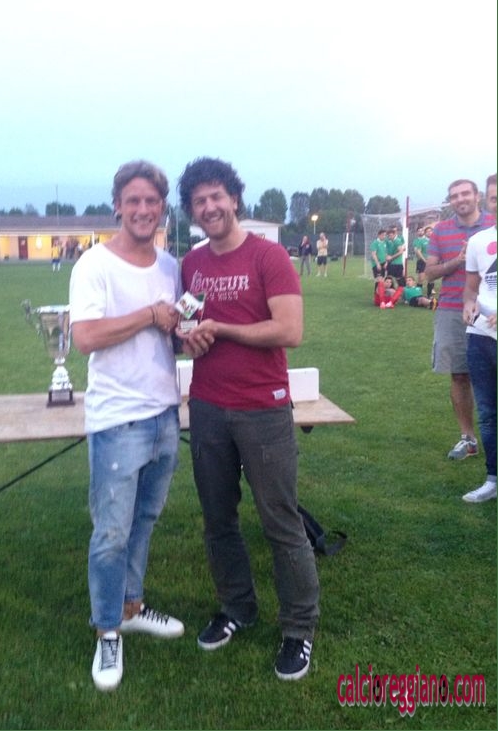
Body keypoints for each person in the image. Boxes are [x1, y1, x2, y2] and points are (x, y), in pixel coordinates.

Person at [176, 157, 319, 682]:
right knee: (218, 520)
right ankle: (237, 607)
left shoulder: (268, 255)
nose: (209, 207)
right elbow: (186, 326)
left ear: (234, 199)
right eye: (199, 201)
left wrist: (222, 329)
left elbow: (290, 330)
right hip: (207, 406)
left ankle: (299, 629)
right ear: (192, 211)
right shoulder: (191, 264)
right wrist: (188, 338)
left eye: (217, 196)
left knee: (280, 521)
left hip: (263, 407)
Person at [69, 160, 184, 692]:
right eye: (133, 200)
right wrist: (149, 315)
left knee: (144, 521)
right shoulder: (94, 264)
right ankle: (107, 630)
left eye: (151, 201)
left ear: (162, 207)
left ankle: (132, 606)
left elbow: (171, 331)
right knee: (111, 533)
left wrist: (186, 334)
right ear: (117, 205)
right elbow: (86, 337)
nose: (142, 209)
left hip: (165, 413)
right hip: (117, 420)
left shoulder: (170, 265)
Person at [424, 178, 494, 460]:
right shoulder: (441, 230)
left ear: (477, 196)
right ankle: (468, 439)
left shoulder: (493, 223)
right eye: (454, 196)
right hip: (453, 310)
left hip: (490, 310)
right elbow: (429, 273)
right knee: (459, 374)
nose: (460, 199)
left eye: (465, 193)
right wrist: (458, 259)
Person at [461, 173, 497, 502]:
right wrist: (469, 305)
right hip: (481, 335)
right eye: (494, 198)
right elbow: (472, 288)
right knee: (487, 413)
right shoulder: (478, 241)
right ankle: (493, 478)